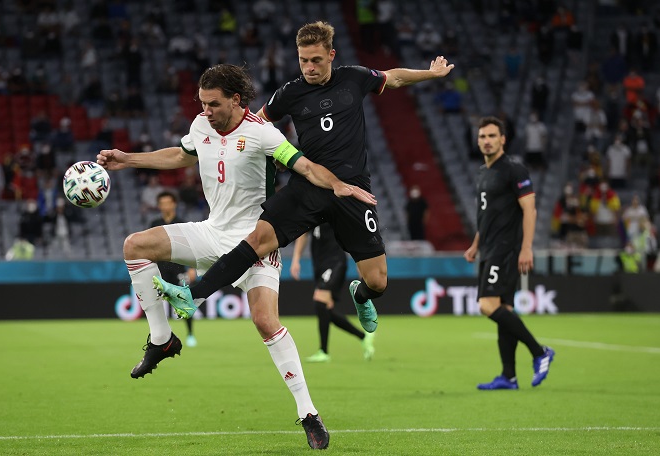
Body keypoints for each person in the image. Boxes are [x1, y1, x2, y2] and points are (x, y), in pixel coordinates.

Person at [96, 64, 375, 450]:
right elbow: (181, 155)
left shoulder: (262, 132)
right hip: (211, 233)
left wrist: (338, 185)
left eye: (213, 104)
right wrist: (126, 159)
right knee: (134, 245)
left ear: (236, 100)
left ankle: (308, 412)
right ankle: (161, 339)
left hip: (255, 242)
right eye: (202, 103)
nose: (206, 111)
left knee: (265, 321)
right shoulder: (201, 125)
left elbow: (305, 166)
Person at [156, 21, 454, 337]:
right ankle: (193, 296)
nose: (309, 67)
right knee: (257, 241)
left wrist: (430, 74)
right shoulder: (290, 93)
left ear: (331, 55)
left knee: (378, 281)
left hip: (352, 190)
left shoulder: (354, 78)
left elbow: (393, 78)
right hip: (308, 184)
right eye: (303, 60)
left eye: (316, 60)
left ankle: (360, 295)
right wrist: (265, 152)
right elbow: (256, 123)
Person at [463, 116, 555, 391]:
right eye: (482, 136)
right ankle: (509, 376)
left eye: (492, 136)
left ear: (503, 139)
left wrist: (526, 247)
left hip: (506, 249)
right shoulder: (483, 172)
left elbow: (529, 209)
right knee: (505, 310)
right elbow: (486, 215)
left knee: (486, 305)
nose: (487, 141)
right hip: (489, 248)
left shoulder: (514, 169)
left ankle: (540, 352)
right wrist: (476, 243)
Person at [290, 223, 375, 363]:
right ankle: (363, 336)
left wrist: (361, 267)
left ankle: (324, 352)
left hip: (335, 262)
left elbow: (352, 237)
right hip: (319, 264)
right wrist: (296, 259)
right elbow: (303, 234)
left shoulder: (335, 212)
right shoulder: (312, 213)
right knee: (326, 310)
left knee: (319, 301)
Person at [149, 190, 197, 347]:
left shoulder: (182, 224)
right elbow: (148, 247)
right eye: (162, 204)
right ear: (159, 206)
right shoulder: (154, 224)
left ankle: (190, 334)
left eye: (168, 203)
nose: (165, 206)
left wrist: (192, 268)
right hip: (160, 269)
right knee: (156, 304)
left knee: (183, 300)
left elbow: (192, 247)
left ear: (174, 204)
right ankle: (160, 337)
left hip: (178, 269)